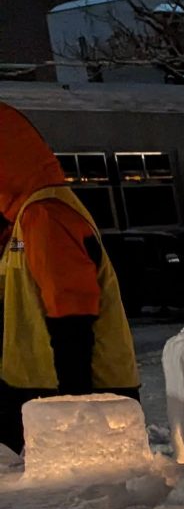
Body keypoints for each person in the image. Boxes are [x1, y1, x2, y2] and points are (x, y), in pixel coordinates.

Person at [0, 102, 139, 454]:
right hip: (40, 392)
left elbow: (72, 313)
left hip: (67, 396)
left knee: (79, 485)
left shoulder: (45, 215)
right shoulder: (25, 218)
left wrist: (76, 404)